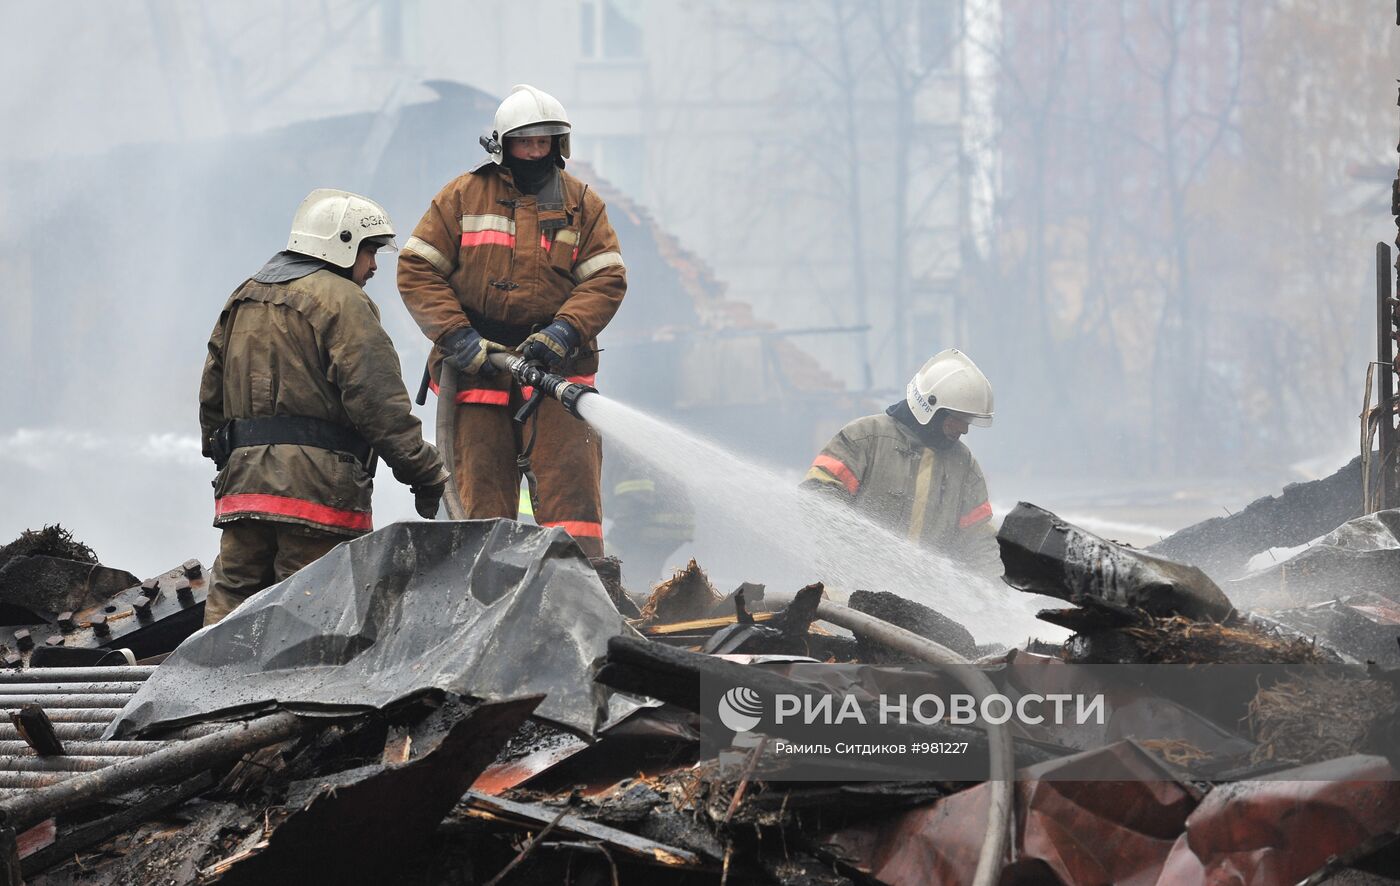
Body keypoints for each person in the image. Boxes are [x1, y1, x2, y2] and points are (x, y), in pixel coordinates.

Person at [199, 189, 450, 625]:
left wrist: (232, 462)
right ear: (342, 244)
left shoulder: (245, 296)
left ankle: (205, 672)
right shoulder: (344, 301)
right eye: (370, 252)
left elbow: (211, 398)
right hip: (317, 495)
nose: (374, 266)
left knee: (229, 610)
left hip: (243, 488)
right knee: (307, 616)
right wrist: (426, 474)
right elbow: (380, 406)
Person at [398, 84, 626, 559]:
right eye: (526, 143)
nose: (536, 152)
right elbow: (417, 269)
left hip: (558, 371)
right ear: (503, 145)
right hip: (476, 371)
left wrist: (564, 331)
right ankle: (484, 590)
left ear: (559, 144)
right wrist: (457, 336)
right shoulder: (462, 196)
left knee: (572, 496)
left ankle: (580, 584)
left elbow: (606, 279)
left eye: (544, 142)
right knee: (480, 502)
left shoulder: (582, 204)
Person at [801, 348, 1001, 574]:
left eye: (968, 420)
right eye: (958, 418)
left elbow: (979, 541)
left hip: (924, 593)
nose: (964, 429)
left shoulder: (965, 467)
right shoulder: (865, 438)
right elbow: (818, 497)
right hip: (848, 587)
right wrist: (848, 554)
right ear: (931, 407)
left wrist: (992, 591)